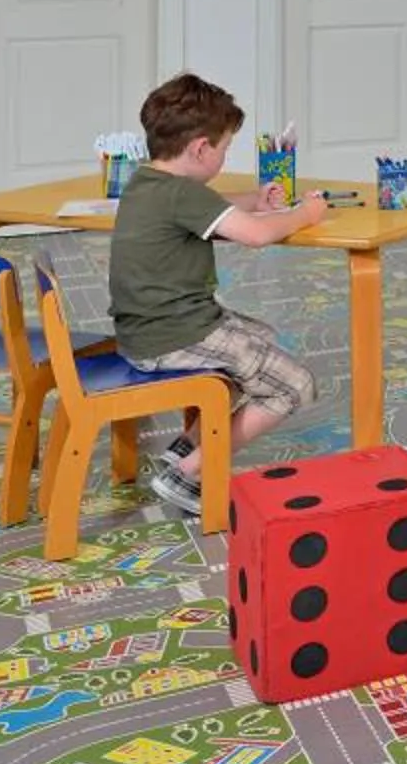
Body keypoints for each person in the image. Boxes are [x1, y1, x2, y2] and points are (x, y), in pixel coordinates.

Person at [106, 74, 330, 516]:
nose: (225, 159)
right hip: (175, 336)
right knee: (295, 386)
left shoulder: (147, 183)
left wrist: (252, 199)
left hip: (143, 332)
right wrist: (306, 213)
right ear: (201, 149)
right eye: (225, 149)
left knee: (257, 336)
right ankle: (186, 473)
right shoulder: (181, 195)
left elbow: (208, 208)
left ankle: (183, 449)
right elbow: (256, 237)